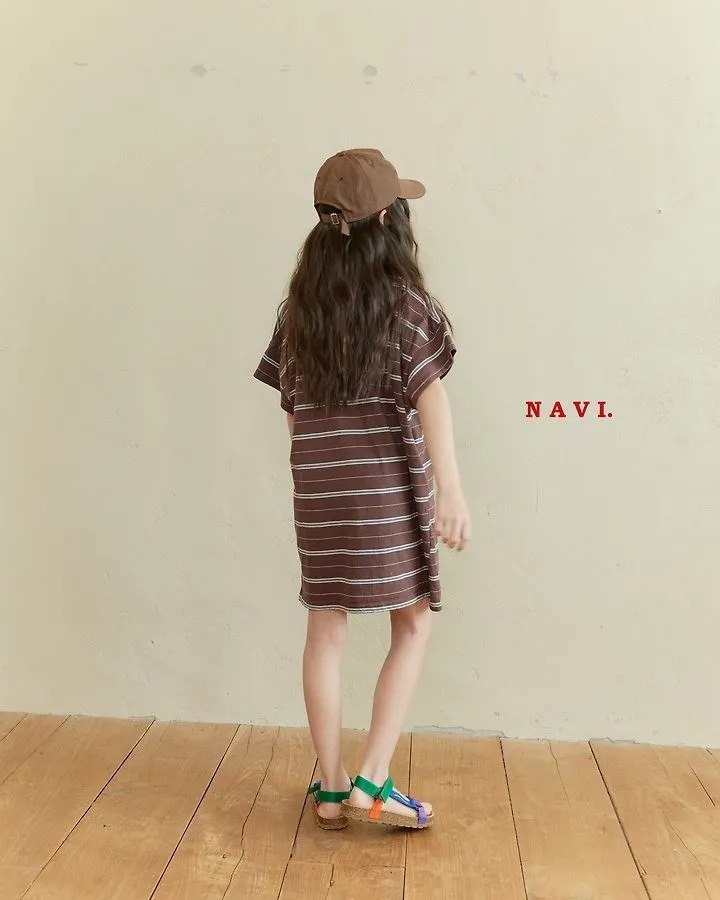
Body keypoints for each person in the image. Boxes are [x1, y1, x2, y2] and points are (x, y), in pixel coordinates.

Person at [254, 149, 471, 831]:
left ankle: (330, 786)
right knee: (412, 622)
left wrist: (321, 468)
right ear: (387, 222)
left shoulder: (299, 312)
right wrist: (451, 491)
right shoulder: (406, 306)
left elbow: (291, 410)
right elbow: (431, 400)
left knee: (325, 630)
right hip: (386, 489)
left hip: (318, 492)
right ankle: (372, 780)